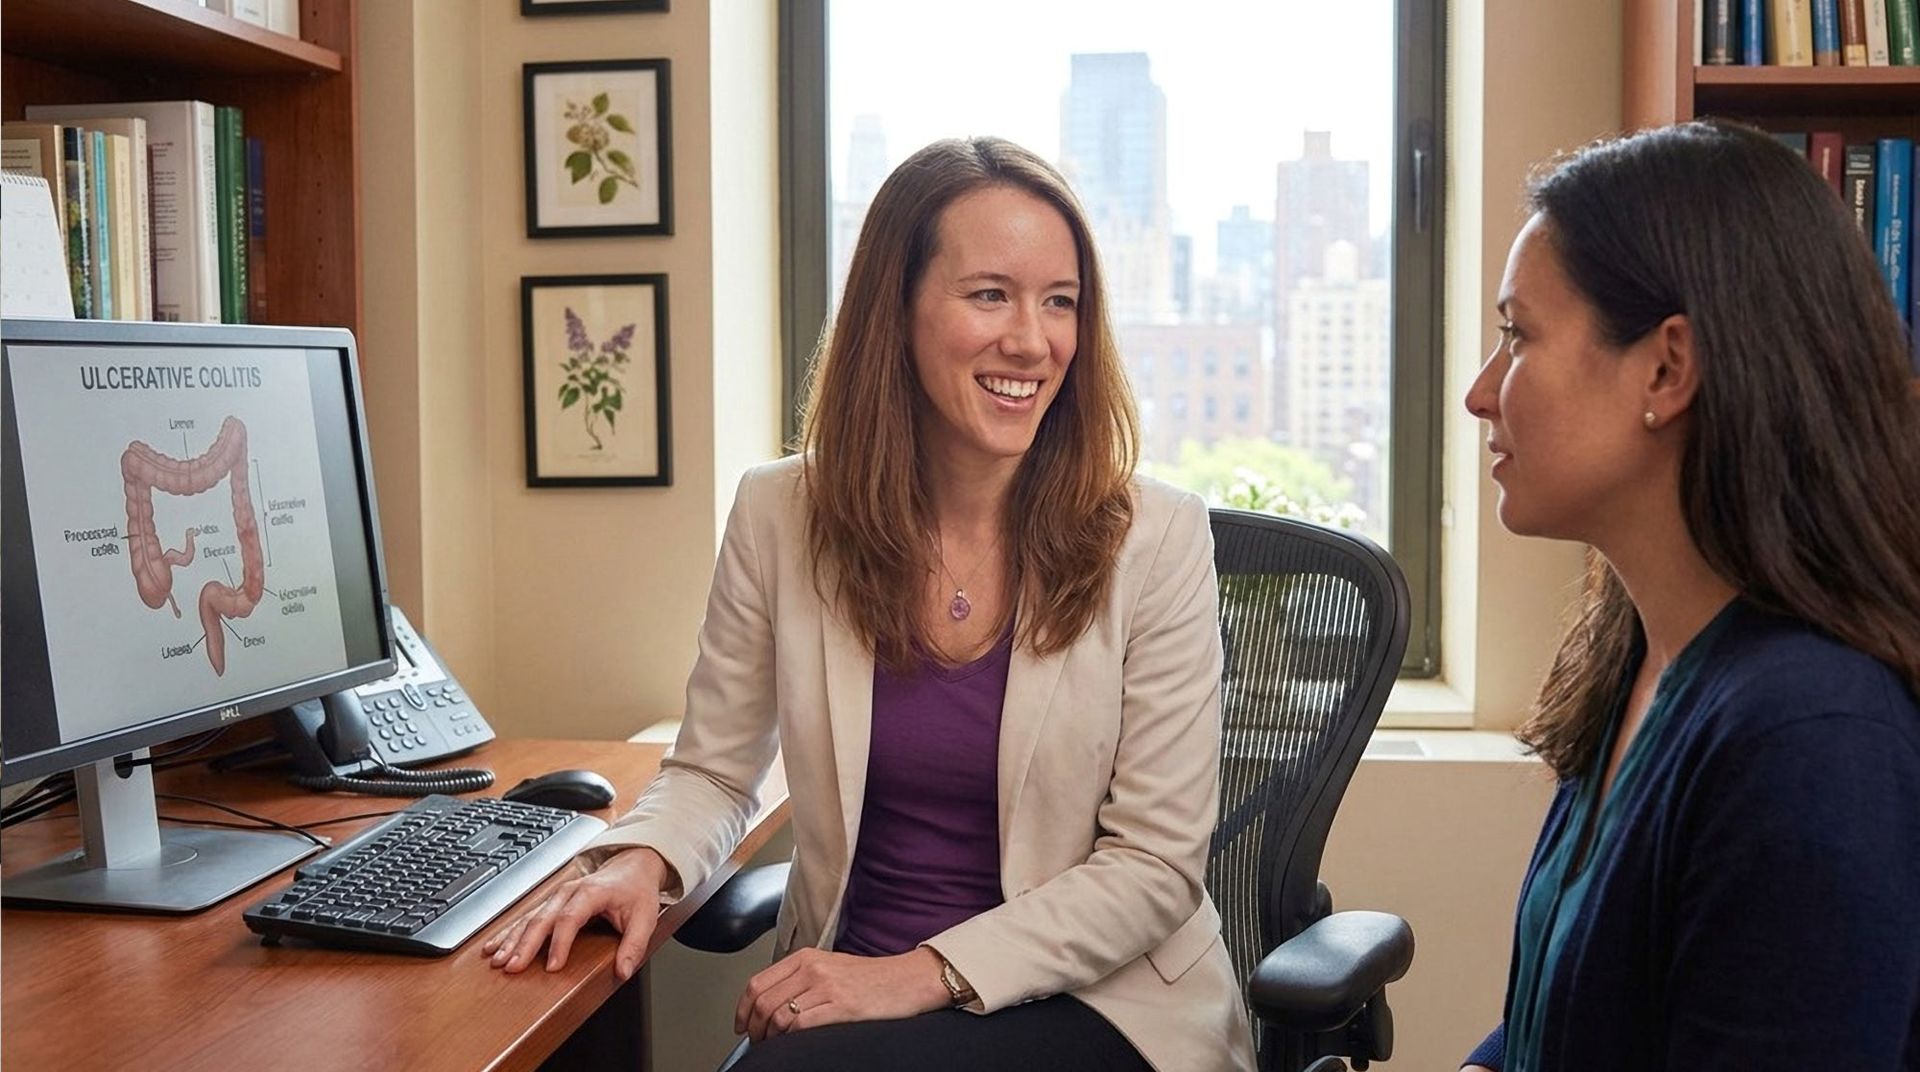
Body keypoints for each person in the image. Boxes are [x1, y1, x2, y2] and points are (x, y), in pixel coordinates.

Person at [482, 136, 1256, 1072]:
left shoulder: (1157, 537)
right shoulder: (780, 513)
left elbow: (1153, 867)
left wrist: (917, 975)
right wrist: (644, 860)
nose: (1033, 340)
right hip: (847, 984)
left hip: (1097, 1001)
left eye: (1061, 302)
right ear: (895, 310)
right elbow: (715, 770)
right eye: (990, 295)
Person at [1460, 119, 1920, 1072]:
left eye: (1517, 336)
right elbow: (1568, 1013)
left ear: (1668, 368)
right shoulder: (1640, 655)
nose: (1481, 392)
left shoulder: (1810, 737)